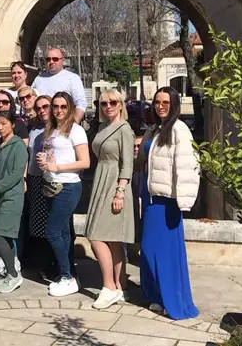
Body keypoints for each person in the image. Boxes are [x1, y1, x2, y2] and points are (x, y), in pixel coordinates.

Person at [138, 86, 200, 320]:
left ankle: (172, 301)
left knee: (166, 254)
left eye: (166, 102)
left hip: (167, 202)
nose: (161, 106)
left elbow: (188, 166)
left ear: (174, 105)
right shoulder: (156, 129)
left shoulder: (179, 130)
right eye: (157, 102)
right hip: (152, 198)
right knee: (149, 250)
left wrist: (184, 201)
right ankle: (157, 295)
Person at [36, 92, 90, 297]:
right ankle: (68, 274)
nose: (59, 110)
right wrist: (45, 160)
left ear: (70, 108)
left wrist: (57, 167)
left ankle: (67, 277)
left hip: (68, 186)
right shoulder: (51, 129)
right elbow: (54, 156)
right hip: (50, 185)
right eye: (55, 106)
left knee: (53, 232)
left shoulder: (76, 130)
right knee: (64, 232)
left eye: (63, 107)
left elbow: (85, 162)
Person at [86, 88, 135, 309]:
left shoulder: (124, 129)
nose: (108, 107)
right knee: (113, 239)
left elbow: (128, 164)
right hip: (102, 180)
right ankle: (119, 286)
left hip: (115, 183)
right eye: (104, 103)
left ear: (121, 105)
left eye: (113, 102)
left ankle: (109, 288)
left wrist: (120, 191)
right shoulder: (103, 127)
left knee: (95, 235)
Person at [0, 110, 29, 294]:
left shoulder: (19, 146)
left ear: (12, 124)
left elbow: (16, 174)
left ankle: (14, 274)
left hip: (12, 197)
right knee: (3, 236)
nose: (0, 128)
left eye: (4, 124)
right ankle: (10, 274)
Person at [27, 95, 56, 277]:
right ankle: (45, 262)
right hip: (35, 178)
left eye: (45, 106)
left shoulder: (60, 128)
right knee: (38, 223)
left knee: (53, 223)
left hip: (54, 179)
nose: (42, 110)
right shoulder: (34, 128)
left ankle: (56, 263)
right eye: (38, 108)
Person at [33, 48, 88, 122]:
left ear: (62, 60)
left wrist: (73, 124)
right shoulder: (39, 78)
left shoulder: (72, 78)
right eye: (48, 59)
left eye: (55, 59)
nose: (51, 62)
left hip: (63, 123)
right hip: (41, 123)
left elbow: (81, 103)